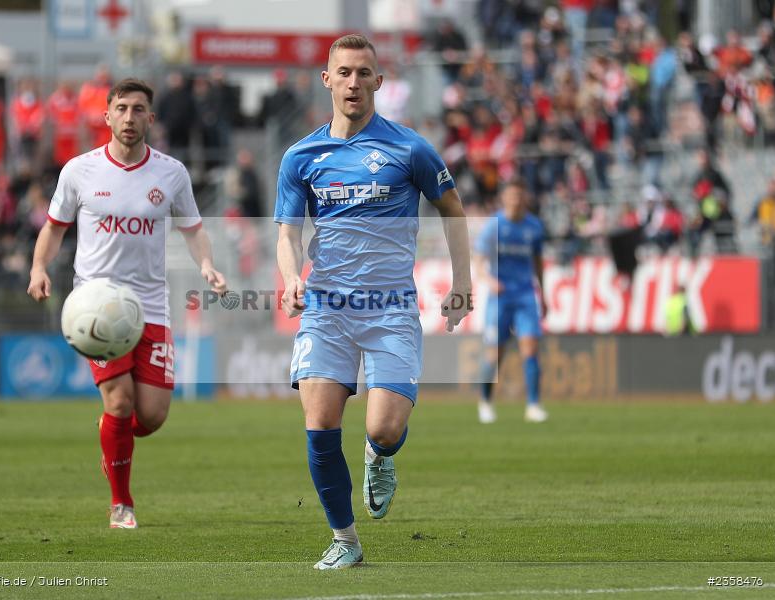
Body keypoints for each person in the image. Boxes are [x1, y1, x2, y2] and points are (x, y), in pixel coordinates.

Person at [275, 34, 472, 570]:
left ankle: (379, 456)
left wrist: (463, 282)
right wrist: (291, 277)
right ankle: (345, 540)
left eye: (364, 73)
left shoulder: (410, 149)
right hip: (326, 309)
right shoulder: (301, 157)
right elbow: (287, 233)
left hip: (390, 310)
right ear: (327, 80)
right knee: (319, 426)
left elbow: (453, 210)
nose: (354, 82)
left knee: (383, 429)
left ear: (379, 82)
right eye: (344, 73)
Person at [27, 79, 226, 529]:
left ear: (151, 119)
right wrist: (39, 268)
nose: (130, 117)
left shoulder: (171, 173)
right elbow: (54, 227)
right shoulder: (79, 170)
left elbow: (193, 229)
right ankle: (122, 504)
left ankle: (112, 444)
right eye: (122, 108)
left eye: (139, 110)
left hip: (150, 308)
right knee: (118, 403)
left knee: (150, 417)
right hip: (96, 306)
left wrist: (208, 266)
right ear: (107, 116)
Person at [475, 178, 548, 424]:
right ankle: (485, 402)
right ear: (504, 198)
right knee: (494, 354)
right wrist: (488, 280)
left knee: (531, 349)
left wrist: (543, 293)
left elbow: (538, 262)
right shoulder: (494, 226)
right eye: (512, 196)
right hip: (500, 296)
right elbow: (478, 260)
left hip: (526, 294)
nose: (516, 200)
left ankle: (533, 405)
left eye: (520, 196)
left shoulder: (534, 227)